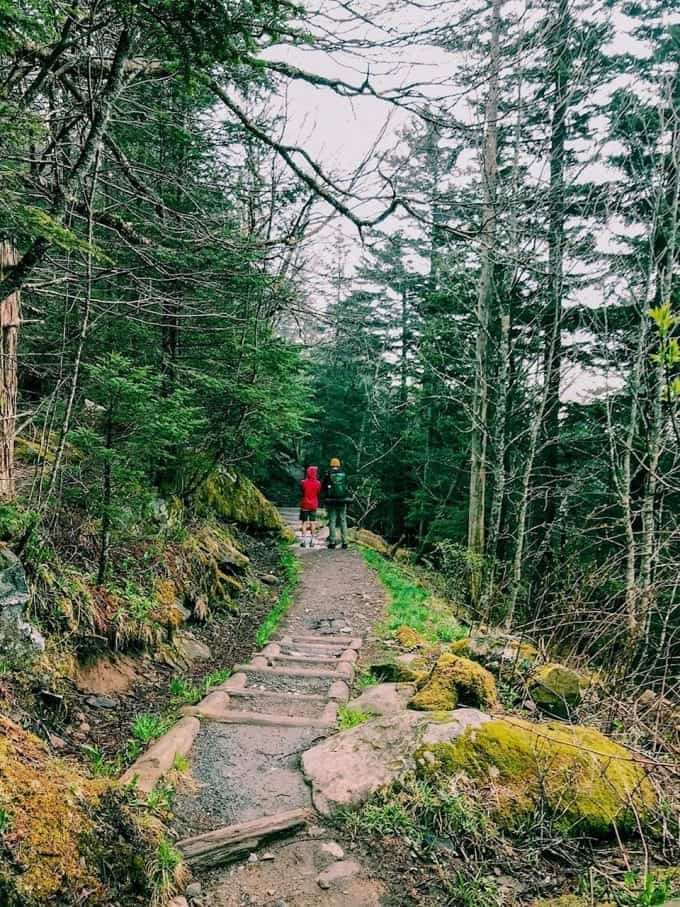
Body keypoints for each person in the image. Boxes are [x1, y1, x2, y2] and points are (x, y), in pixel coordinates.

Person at [322, 457, 350, 549]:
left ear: (331, 464)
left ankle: (332, 541)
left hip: (331, 500)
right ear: (338, 465)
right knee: (343, 520)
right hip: (342, 500)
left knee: (332, 520)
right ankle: (345, 542)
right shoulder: (344, 473)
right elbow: (347, 486)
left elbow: (324, 486)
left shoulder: (328, 473)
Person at [299, 465, 321, 547]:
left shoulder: (303, 482)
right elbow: (318, 492)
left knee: (304, 522)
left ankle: (303, 541)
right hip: (313, 504)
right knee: (313, 522)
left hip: (305, 504)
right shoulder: (318, 483)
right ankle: (312, 541)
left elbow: (302, 491)